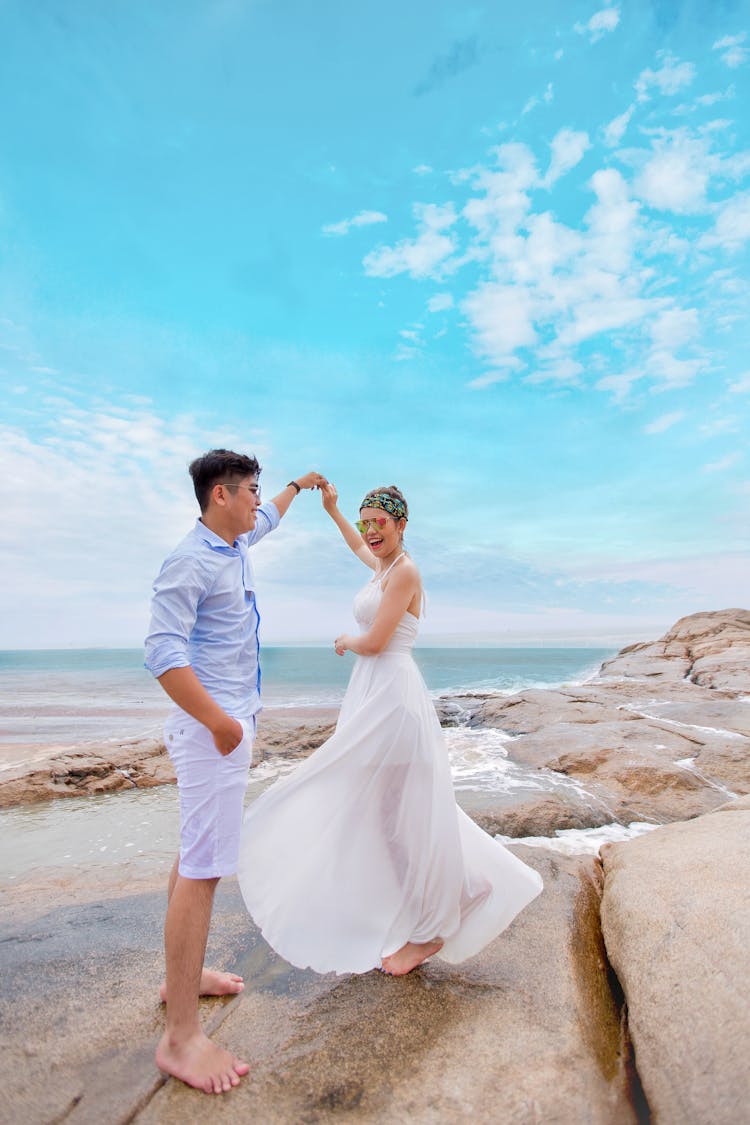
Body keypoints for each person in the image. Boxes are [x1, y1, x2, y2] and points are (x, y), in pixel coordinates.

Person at [237, 482, 543, 977]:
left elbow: (377, 642)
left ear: (402, 524)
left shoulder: (407, 572)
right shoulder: (383, 566)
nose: (371, 532)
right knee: (390, 810)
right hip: (374, 695)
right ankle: (463, 888)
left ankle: (428, 930)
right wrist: (335, 512)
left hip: (393, 697)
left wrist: (345, 640)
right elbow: (358, 549)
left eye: (380, 522)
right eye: (366, 522)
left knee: (398, 812)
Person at [144, 449, 326, 1095]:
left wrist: (297, 487)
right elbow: (162, 652)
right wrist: (221, 723)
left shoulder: (235, 540)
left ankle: (181, 980)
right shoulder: (191, 558)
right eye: (249, 490)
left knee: (196, 852)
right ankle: (181, 1037)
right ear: (220, 495)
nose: (257, 500)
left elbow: (269, 520)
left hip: (225, 724)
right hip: (211, 730)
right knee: (204, 868)